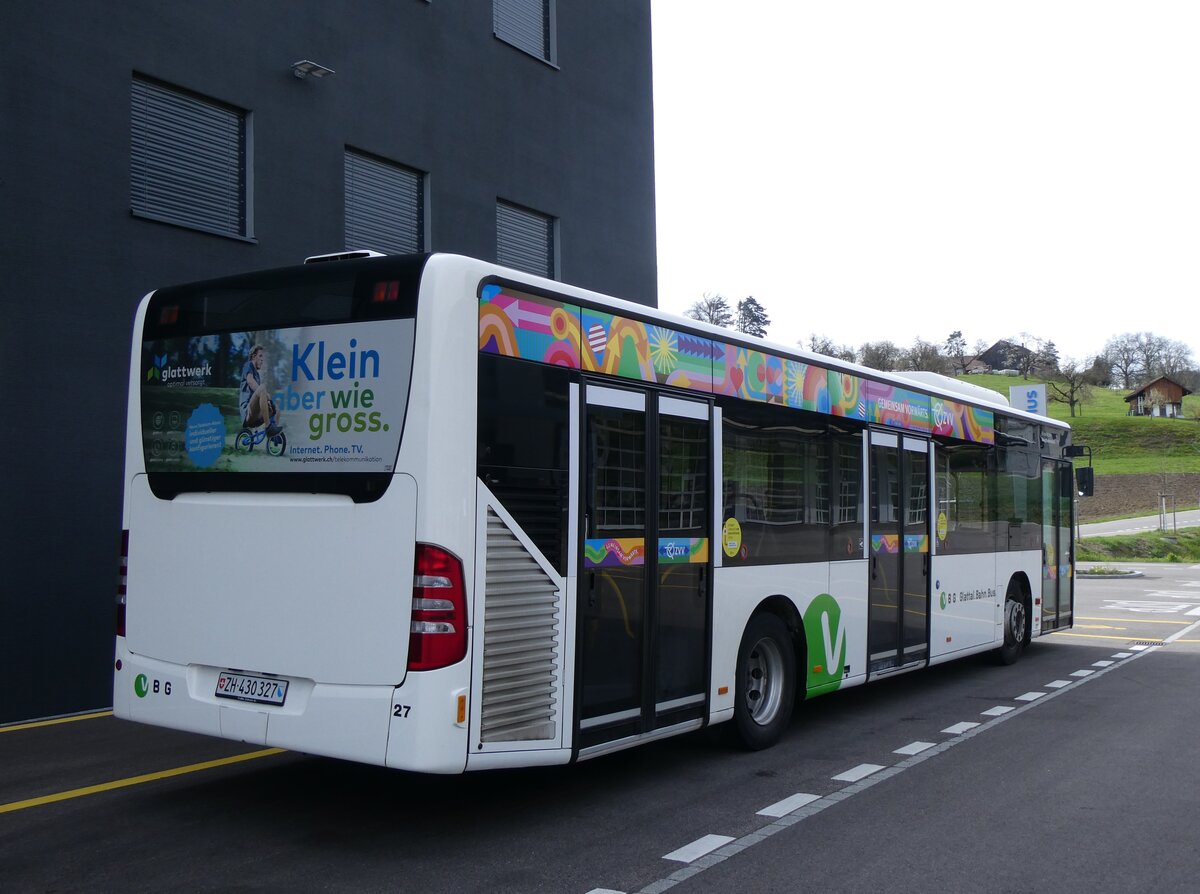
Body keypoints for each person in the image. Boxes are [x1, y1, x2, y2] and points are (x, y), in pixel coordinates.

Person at [239, 344, 282, 435]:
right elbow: (250, 381)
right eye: (260, 356)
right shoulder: (248, 365)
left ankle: (274, 436)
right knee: (262, 388)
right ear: (254, 356)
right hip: (247, 411)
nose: (262, 360)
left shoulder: (257, 375)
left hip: (255, 413)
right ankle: (268, 427)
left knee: (276, 409)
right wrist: (265, 394)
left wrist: (267, 402)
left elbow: (259, 395)